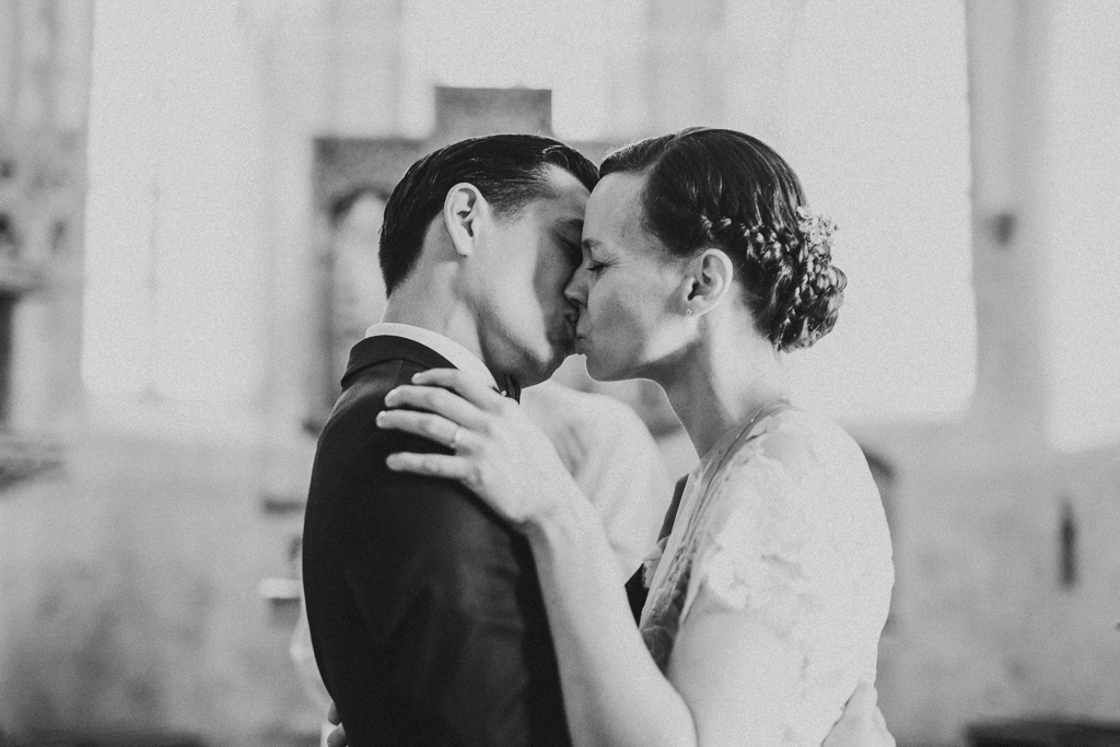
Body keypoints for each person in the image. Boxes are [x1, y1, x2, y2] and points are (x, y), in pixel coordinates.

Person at [375, 128, 895, 747]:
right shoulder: (709, 478)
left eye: (598, 262)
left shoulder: (791, 464)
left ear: (701, 284)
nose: (573, 288)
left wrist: (556, 510)